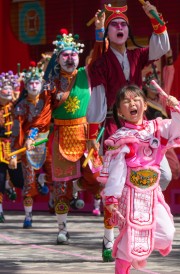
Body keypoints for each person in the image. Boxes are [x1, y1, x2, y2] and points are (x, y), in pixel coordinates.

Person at [87, 2, 171, 261]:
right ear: (108, 32)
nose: (120, 28)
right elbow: (97, 103)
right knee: (114, 185)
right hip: (115, 129)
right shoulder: (100, 64)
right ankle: (109, 238)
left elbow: (161, 47)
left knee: (164, 175)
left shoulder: (136, 55)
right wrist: (93, 136)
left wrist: (154, 17)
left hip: (142, 130)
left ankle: (143, 223)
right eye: (115, 25)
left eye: (123, 24)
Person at [99, 84, 180, 273]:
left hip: (152, 194)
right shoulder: (121, 137)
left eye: (136, 99)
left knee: (166, 233)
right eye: (126, 101)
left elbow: (179, 127)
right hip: (130, 195)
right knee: (130, 238)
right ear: (120, 111)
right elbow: (117, 171)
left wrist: (175, 108)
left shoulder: (157, 127)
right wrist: (112, 197)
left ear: (145, 105)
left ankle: (139, 249)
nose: (132, 103)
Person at [44, 29, 103, 245]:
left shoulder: (86, 74)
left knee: (97, 177)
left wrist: (99, 31)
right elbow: (43, 114)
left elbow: (99, 54)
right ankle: (62, 229)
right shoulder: (51, 83)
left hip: (86, 135)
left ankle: (78, 187)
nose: (70, 58)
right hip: (61, 136)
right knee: (60, 188)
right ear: (58, 58)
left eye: (73, 54)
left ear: (79, 56)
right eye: (65, 55)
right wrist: (34, 134)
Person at [11, 61, 51, 228]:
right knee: (28, 183)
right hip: (28, 146)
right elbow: (16, 130)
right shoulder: (20, 107)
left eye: (37, 82)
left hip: (47, 142)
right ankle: (28, 216)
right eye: (31, 83)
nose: (34, 86)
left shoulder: (47, 102)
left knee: (56, 175)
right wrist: (14, 153)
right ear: (26, 86)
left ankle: (42, 179)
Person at [143, 54, 180, 189]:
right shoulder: (141, 102)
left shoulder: (162, 100)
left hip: (163, 138)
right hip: (148, 139)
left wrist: (170, 59)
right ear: (145, 85)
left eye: (157, 82)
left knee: (174, 168)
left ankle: (157, 191)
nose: (154, 86)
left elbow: (169, 77)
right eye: (151, 83)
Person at [0, 71, 24, 223]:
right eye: (4, 88)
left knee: (19, 181)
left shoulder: (16, 108)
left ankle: (10, 185)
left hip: (14, 146)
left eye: (11, 88)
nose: (8, 91)